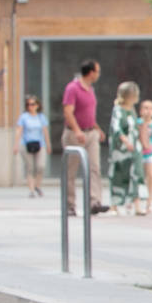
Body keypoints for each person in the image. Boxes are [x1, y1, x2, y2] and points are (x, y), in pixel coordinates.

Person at [62, 60, 109, 215]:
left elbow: (88, 113)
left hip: (90, 133)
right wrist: (77, 131)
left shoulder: (90, 89)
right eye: (98, 71)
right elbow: (68, 112)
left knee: (94, 168)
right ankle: (69, 205)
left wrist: (97, 129)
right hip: (75, 134)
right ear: (91, 72)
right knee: (71, 172)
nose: (99, 74)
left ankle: (94, 202)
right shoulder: (72, 88)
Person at [108, 81, 142, 214]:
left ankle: (136, 203)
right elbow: (116, 128)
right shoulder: (118, 109)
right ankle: (115, 204)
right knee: (118, 174)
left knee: (136, 173)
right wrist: (125, 141)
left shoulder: (132, 110)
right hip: (121, 149)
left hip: (134, 148)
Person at [15, 95, 52, 197]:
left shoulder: (41, 117)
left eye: (32, 104)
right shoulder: (24, 117)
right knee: (30, 167)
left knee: (41, 166)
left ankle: (37, 185)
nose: (30, 106)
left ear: (37, 105)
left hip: (40, 144)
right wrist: (16, 145)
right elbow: (19, 130)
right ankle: (31, 190)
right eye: (28, 105)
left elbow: (45, 132)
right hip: (26, 144)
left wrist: (48, 145)